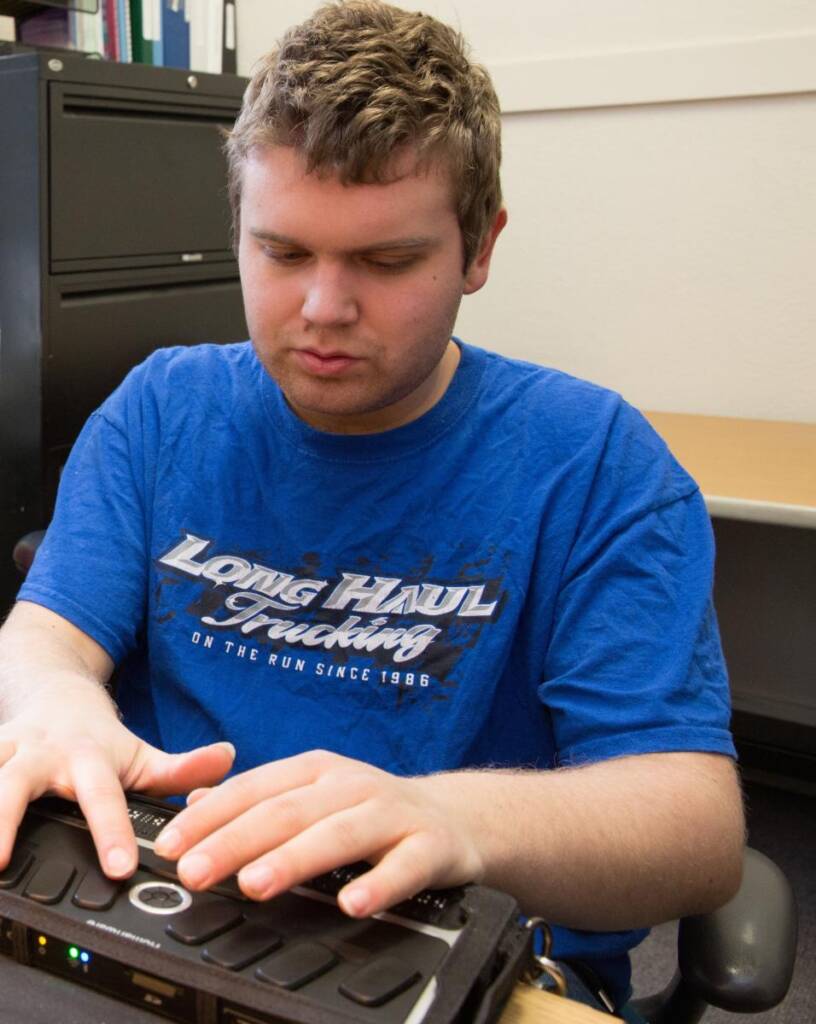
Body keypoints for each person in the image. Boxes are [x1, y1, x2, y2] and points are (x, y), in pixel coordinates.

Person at [0, 0, 743, 1012]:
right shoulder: (163, 410)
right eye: (284, 253)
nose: (323, 310)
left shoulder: (596, 464)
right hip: (161, 916)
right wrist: (50, 700)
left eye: (386, 262)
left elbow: (692, 831)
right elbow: (43, 638)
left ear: (479, 248)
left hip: (441, 956)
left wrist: (449, 819)